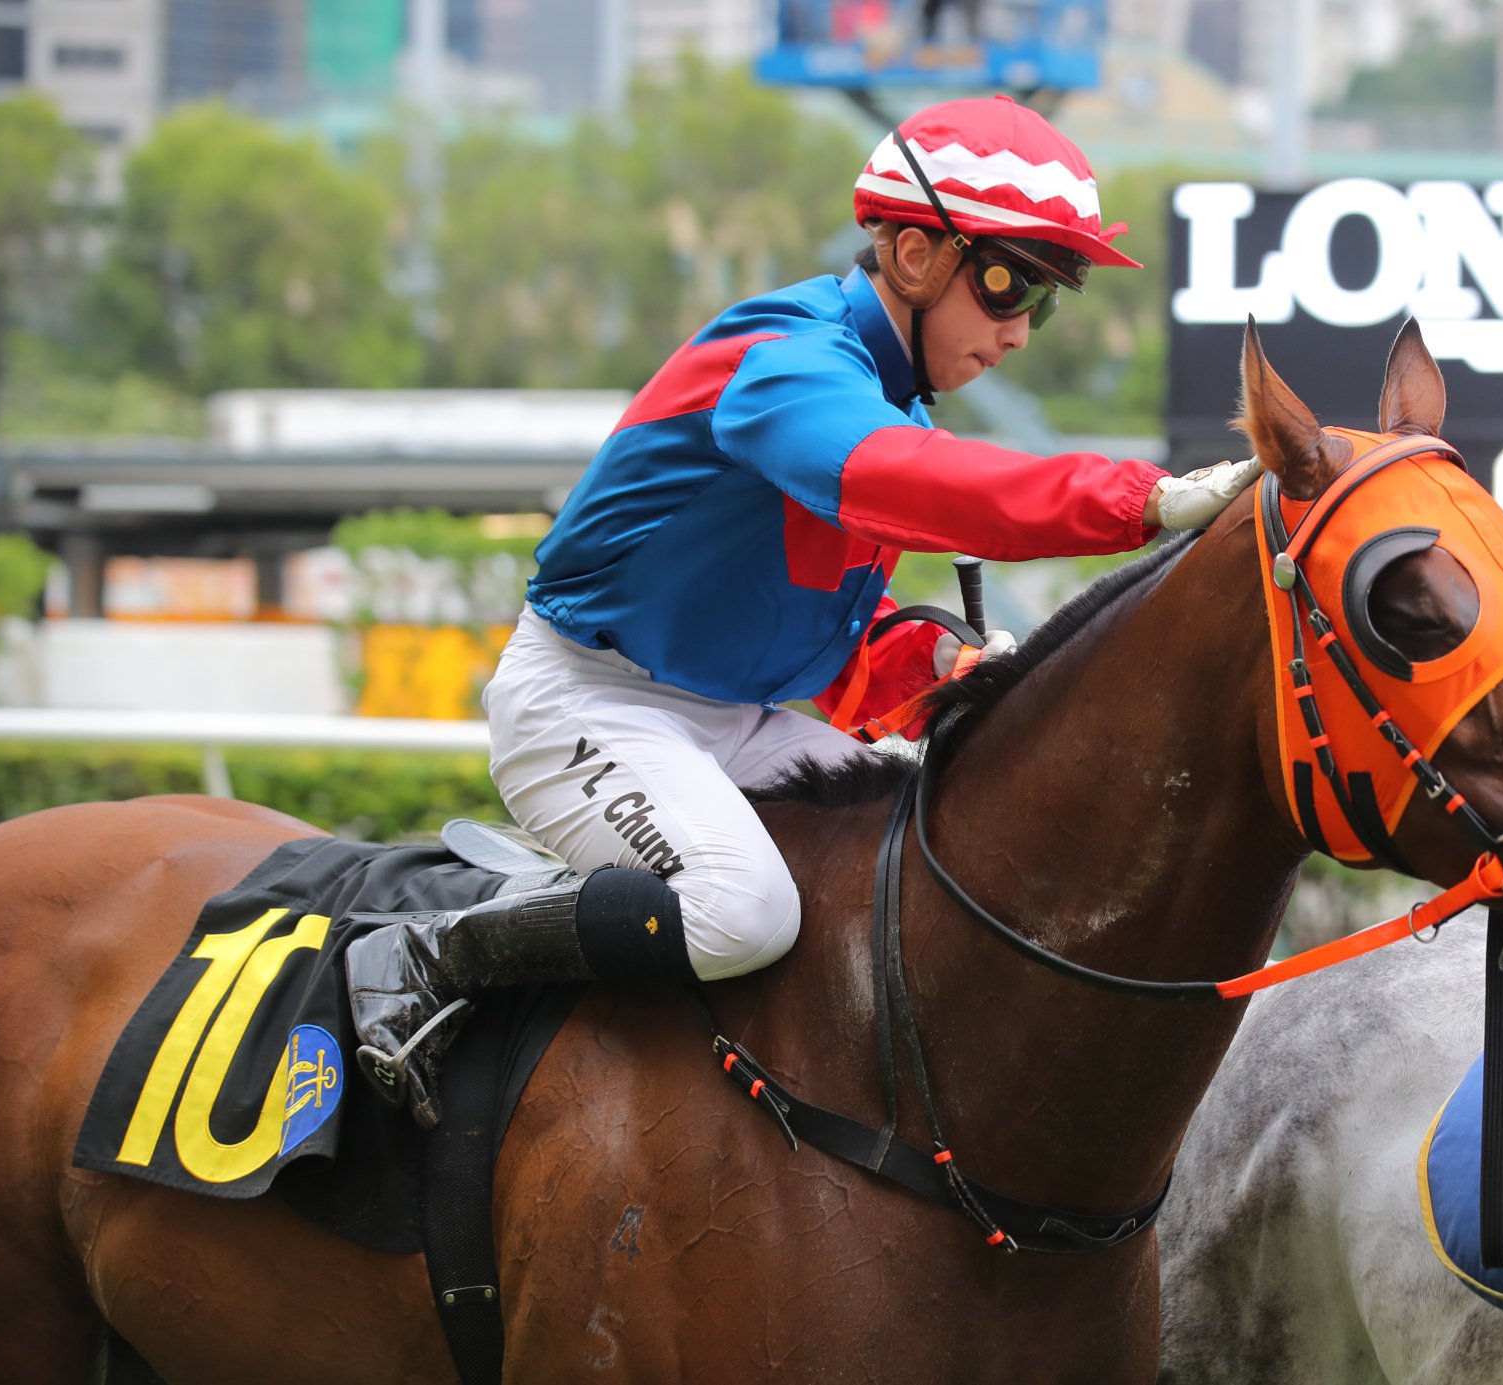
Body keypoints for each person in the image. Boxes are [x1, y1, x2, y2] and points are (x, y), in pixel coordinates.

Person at [344, 94, 1260, 1130]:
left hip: (728, 720)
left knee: (949, 842)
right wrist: (1136, 499)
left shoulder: (889, 395)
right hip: (586, 708)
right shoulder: (783, 360)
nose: (1016, 331)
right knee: (744, 910)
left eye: (1045, 301)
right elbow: (914, 479)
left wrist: (935, 670)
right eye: (1008, 284)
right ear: (912, 255)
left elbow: (825, 640)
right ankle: (432, 950)